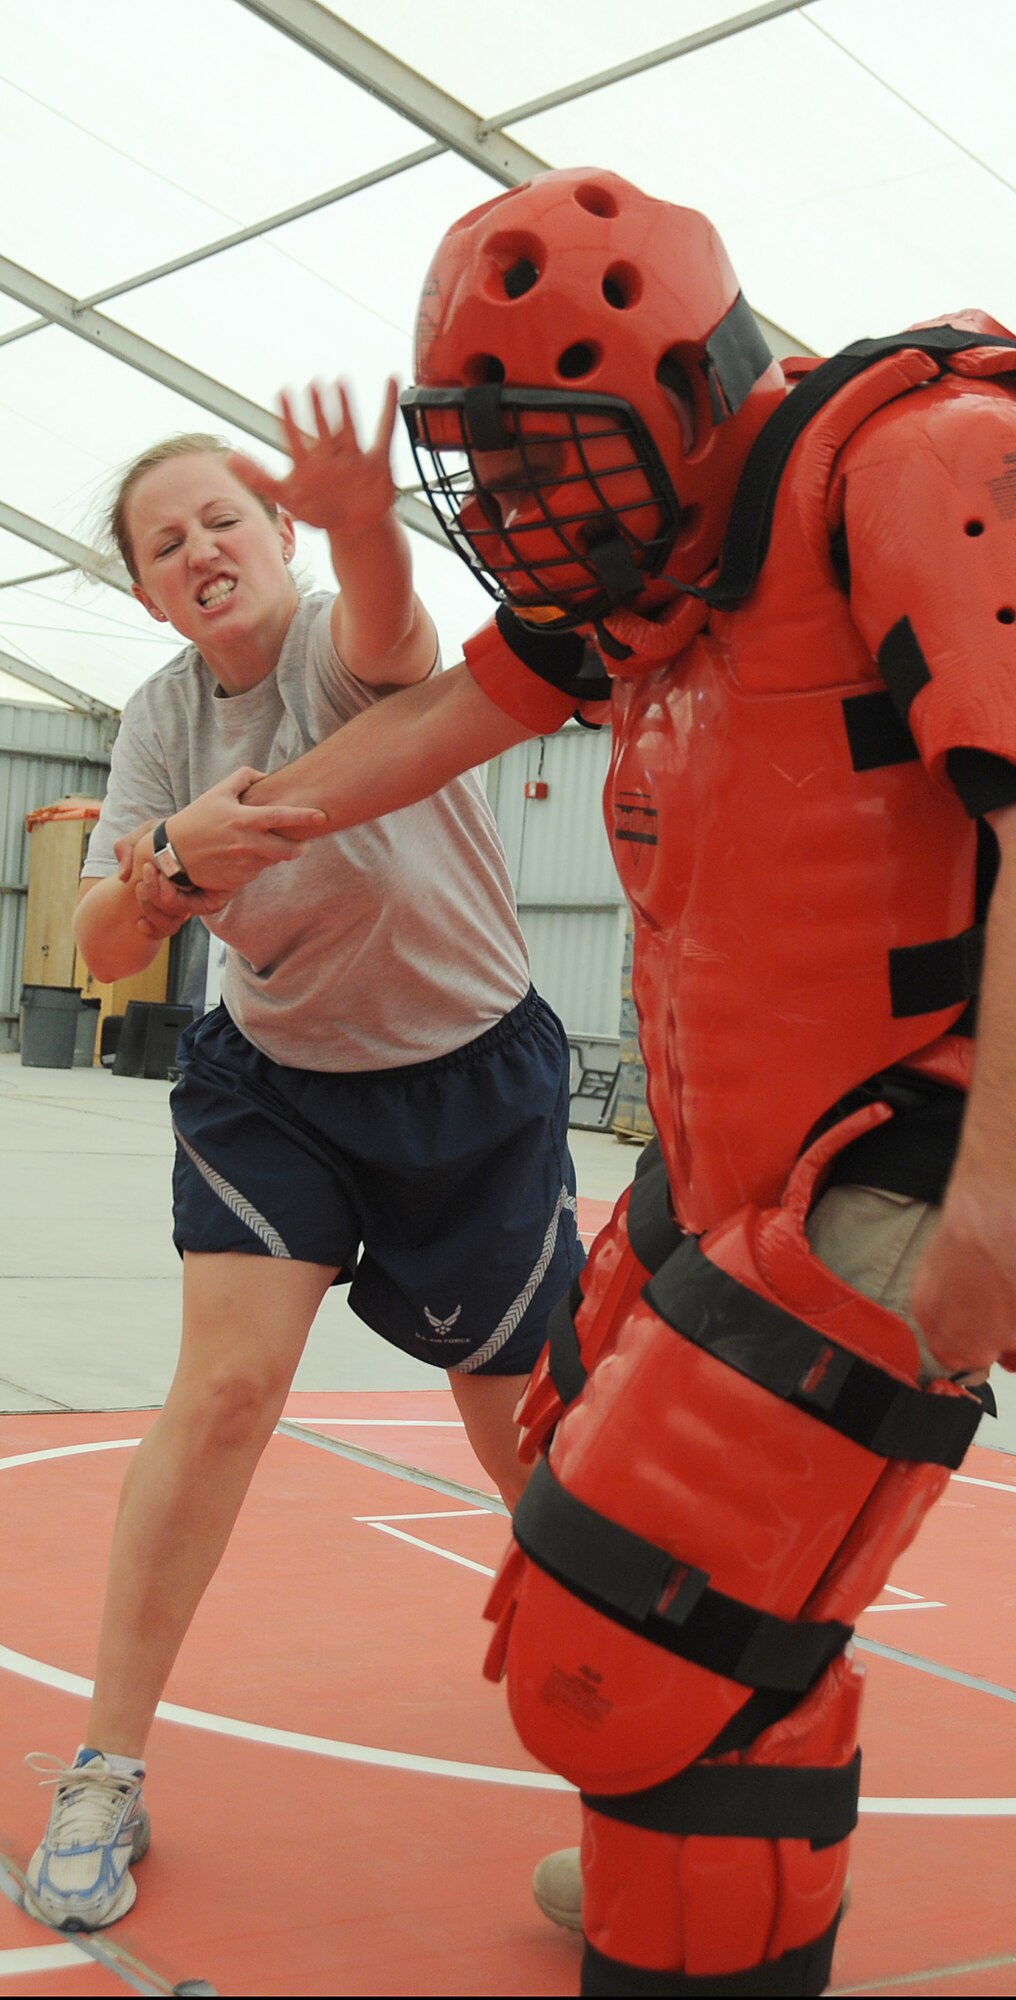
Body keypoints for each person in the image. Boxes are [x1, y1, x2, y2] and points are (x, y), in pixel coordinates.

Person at [131, 171, 1016, 1994]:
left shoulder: (928, 461)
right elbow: (447, 716)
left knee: (658, 1599)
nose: (525, 513)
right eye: (500, 470)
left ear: (689, 393)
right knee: (600, 1509)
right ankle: (678, 1864)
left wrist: (1000, 1202)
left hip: (986, 1097)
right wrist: (243, 825)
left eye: (554, 461)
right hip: (758, 1118)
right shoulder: (649, 568)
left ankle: (705, 1945)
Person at [24, 384, 583, 1934]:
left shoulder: (344, 637)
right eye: (163, 543)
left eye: (224, 519)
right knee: (218, 1399)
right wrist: (164, 859)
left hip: (473, 1080)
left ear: (277, 536)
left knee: (525, 1429)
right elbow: (102, 939)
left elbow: (403, 635)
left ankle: (656, 1700)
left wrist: (367, 520)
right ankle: (107, 1764)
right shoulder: (159, 718)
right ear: (143, 588)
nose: (199, 550)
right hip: (275, 1087)